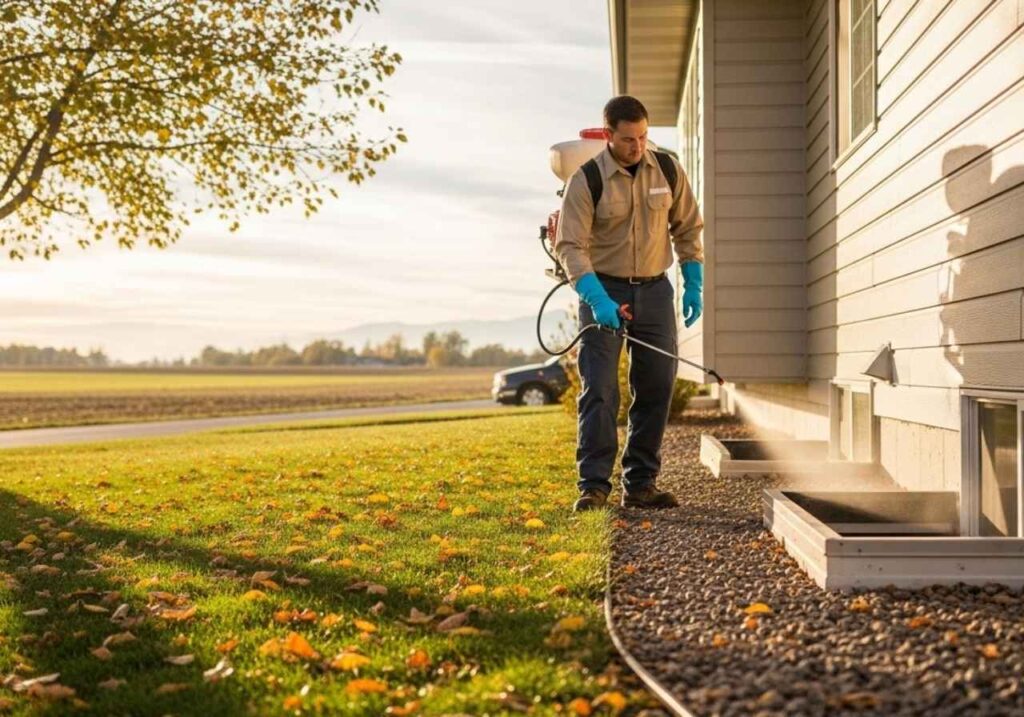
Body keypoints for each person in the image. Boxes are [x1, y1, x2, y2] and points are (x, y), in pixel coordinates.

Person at [554, 95, 704, 512]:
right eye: (628, 139)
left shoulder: (668, 169)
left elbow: (688, 226)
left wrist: (693, 277)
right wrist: (597, 298)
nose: (637, 146)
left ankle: (640, 484)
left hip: (655, 290)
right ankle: (594, 487)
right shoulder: (586, 180)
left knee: (656, 386)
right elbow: (570, 246)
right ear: (608, 135)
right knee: (600, 389)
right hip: (604, 290)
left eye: (643, 136)